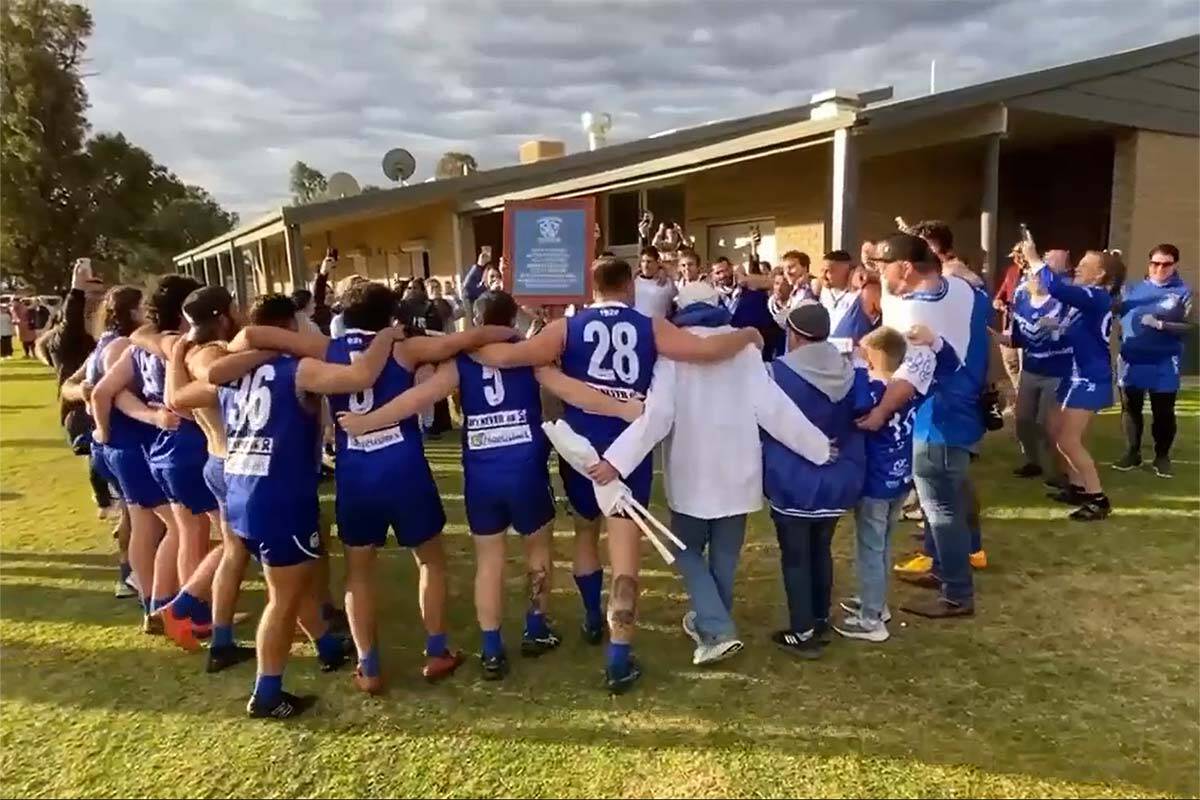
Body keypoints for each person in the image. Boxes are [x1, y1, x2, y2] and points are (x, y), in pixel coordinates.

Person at [471, 256, 763, 693]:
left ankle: (591, 618)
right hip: (629, 453)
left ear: (592, 287)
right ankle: (618, 658)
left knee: (585, 535)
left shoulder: (568, 328)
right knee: (625, 560)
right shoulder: (650, 325)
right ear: (629, 285)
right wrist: (748, 334)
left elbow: (508, 356)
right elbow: (704, 352)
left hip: (581, 450)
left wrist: (468, 340)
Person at [338, 289, 644, 681]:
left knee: (489, 559)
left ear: (476, 320)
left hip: (482, 473)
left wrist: (370, 420)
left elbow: (420, 397)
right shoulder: (526, 350)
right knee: (537, 547)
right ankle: (536, 627)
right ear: (510, 319)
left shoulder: (461, 357)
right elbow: (561, 391)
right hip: (525, 468)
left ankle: (491, 648)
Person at [227, 283, 515, 694]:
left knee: (358, 573)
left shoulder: (324, 348)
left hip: (356, 474)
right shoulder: (404, 348)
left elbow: (257, 335)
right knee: (429, 561)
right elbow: (465, 339)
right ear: (390, 315)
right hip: (404, 471)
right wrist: (506, 332)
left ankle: (369, 665)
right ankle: (436, 651)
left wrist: (230, 348)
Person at [593, 282, 832, 665]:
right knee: (724, 554)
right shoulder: (742, 348)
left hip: (692, 467)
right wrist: (818, 447)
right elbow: (774, 409)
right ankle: (713, 622)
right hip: (738, 469)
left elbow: (657, 416)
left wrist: (616, 461)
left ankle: (717, 627)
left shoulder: (673, 351)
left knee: (683, 548)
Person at [203, 293, 405, 719]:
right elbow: (361, 376)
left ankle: (329, 648)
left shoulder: (230, 373)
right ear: (288, 328)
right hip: (280, 494)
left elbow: (199, 384)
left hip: (242, 489)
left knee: (294, 580)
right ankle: (267, 692)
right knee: (283, 597)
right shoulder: (297, 368)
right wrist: (387, 335)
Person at [863, 233, 979, 618]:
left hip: (936, 420)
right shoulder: (959, 288)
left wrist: (879, 413)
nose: (879, 274)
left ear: (907, 267)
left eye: (884, 266)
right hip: (961, 408)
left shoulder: (917, 317)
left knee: (940, 505)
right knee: (950, 500)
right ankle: (945, 570)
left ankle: (958, 594)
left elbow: (909, 379)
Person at [163, 286, 267, 673]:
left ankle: (218, 637)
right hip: (234, 464)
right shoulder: (217, 356)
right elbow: (216, 385)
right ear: (224, 315)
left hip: (215, 459)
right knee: (266, 551)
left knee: (235, 551)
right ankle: (186, 608)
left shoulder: (186, 354)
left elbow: (177, 402)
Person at [759, 302, 867, 657]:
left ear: (794, 334)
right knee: (821, 549)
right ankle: (820, 618)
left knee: (795, 556)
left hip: (791, 479)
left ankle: (802, 630)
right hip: (838, 479)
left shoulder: (776, 373)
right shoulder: (850, 371)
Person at [87, 286, 181, 633]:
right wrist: (106, 430)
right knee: (175, 526)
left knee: (147, 523)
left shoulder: (105, 343)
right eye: (142, 306)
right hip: (130, 447)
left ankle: (153, 603)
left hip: (121, 448)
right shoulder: (124, 346)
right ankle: (166, 604)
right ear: (129, 311)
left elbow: (87, 388)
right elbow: (103, 394)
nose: (148, 311)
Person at [1021, 239, 1125, 520]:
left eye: (1083, 266)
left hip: (1089, 376)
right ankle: (1078, 486)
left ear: (1101, 274)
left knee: (1069, 439)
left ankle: (1098, 498)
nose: (1076, 268)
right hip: (1074, 373)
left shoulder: (1096, 295)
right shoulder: (1089, 298)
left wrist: (1033, 257)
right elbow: (1083, 331)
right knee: (1055, 431)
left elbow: (1055, 287)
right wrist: (1055, 326)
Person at [835, 326, 918, 643]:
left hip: (876, 482)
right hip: (900, 477)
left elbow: (857, 403)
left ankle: (871, 619)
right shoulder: (904, 388)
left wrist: (856, 367)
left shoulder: (873, 390)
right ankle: (876, 602)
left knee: (871, 547)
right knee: (881, 544)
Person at [1114, 243, 1193, 477]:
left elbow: (1191, 327)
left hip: (1164, 361)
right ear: (1149, 264)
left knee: (1163, 411)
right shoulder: (1132, 290)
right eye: (1155, 263)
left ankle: (1161, 456)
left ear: (1174, 265)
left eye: (1166, 264)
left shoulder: (1183, 292)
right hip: (1132, 358)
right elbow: (1110, 306)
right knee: (1131, 408)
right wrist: (1112, 273)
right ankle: (1132, 453)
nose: (1159, 268)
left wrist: (1162, 325)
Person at [1005, 264, 1071, 480]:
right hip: (1031, 370)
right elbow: (1018, 339)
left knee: (1046, 424)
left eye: (1039, 276)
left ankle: (1057, 472)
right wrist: (997, 337)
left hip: (1057, 372)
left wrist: (1057, 328)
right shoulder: (1022, 304)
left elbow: (1075, 335)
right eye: (1030, 275)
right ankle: (1032, 462)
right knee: (1023, 420)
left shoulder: (1062, 304)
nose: (1033, 279)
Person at [818, 250, 879, 355]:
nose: (823, 276)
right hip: (829, 361)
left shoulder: (865, 292)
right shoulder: (823, 291)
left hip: (858, 364)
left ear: (848, 270)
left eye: (829, 271)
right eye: (822, 270)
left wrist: (868, 275)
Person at [633, 245, 677, 319]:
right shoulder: (634, 282)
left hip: (661, 326)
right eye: (643, 261)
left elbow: (677, 277)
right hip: (638, 325)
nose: (645, 265)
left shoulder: (667, 281)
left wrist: (663, 269)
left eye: (649, 261)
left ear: (657, 262)